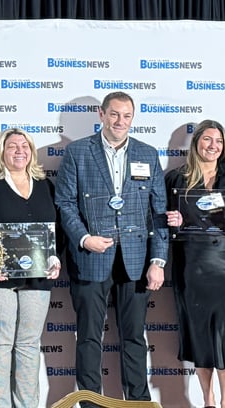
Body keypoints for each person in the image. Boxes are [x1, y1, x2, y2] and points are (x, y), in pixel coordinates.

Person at [56, 91, 172, 402]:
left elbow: (159, 211)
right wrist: (84, 239)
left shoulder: (148, 154)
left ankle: (138, 402)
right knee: (89, 338)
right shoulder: (78, 153)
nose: (120, 121)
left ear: (133, 118)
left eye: (127, 116)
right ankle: (90, 402)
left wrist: (158, 261)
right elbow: (65, 203)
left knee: (134, 337)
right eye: (115, 114)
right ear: (101, 115)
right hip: (91, 257)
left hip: (136, 260)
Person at [0, 128, 61, 408]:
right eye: (12, 147)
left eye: (24, 146)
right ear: (1, 152)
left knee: (29, 345)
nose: (19, 151)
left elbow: (55, 230)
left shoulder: (44, 184)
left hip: (38, 277)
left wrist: (54, 257)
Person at [164, 120, 225, 408]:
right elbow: (164, 225)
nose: (213, 146)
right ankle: (208, 401)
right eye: (207, 140)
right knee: (200, 333)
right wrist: (171, 221)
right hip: (192, 264)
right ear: (196, 143)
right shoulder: (177, 178)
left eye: (219, 141)